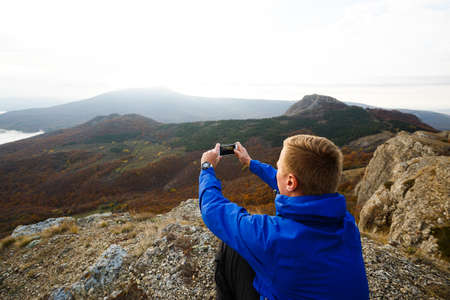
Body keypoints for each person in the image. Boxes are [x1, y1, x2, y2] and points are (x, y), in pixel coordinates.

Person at [199, 135, 369, 300]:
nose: (277, 171)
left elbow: (213, 210)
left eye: (279, 167)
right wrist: (250, 163)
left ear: (290, 182)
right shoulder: (347, 223)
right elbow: (294, 184)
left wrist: (207, 166)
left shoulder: (274, 237)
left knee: (231, 247)